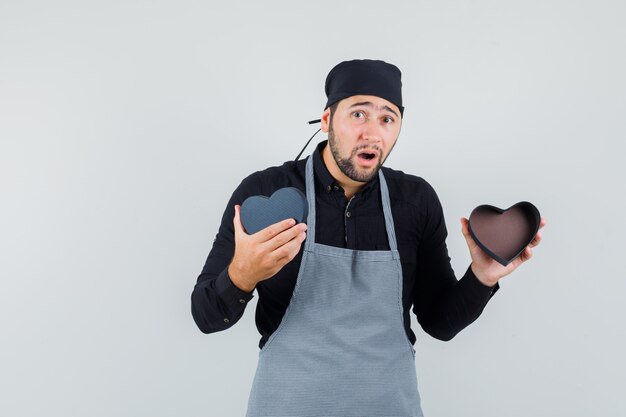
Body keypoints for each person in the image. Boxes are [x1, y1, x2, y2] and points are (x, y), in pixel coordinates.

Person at [191, 59, 545, 416]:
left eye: (387, 118)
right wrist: (242, 274)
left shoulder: (415, 202)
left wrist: (481, 277)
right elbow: (205, 316)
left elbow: (439, 323)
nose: (372, 133)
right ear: (327, 120)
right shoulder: (267, 194)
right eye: (358, 115)